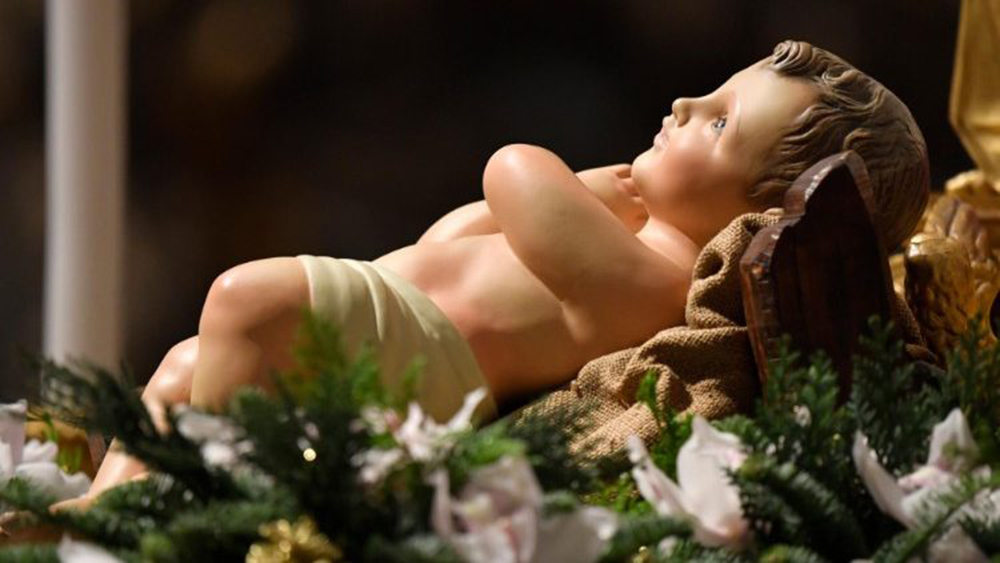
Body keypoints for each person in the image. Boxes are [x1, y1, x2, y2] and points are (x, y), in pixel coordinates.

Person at [63, 39, 930, 508]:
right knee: (182, 367)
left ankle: (209, 503)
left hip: (419, 362)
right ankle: (108, 508)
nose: (683, 106)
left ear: (767, 213)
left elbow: (511, 168)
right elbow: (463, 228)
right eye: (709, 95)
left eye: (718, 123)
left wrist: (586, 186)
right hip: (389, 323)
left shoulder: (658, 283)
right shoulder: (623, 234)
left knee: (245, 300)